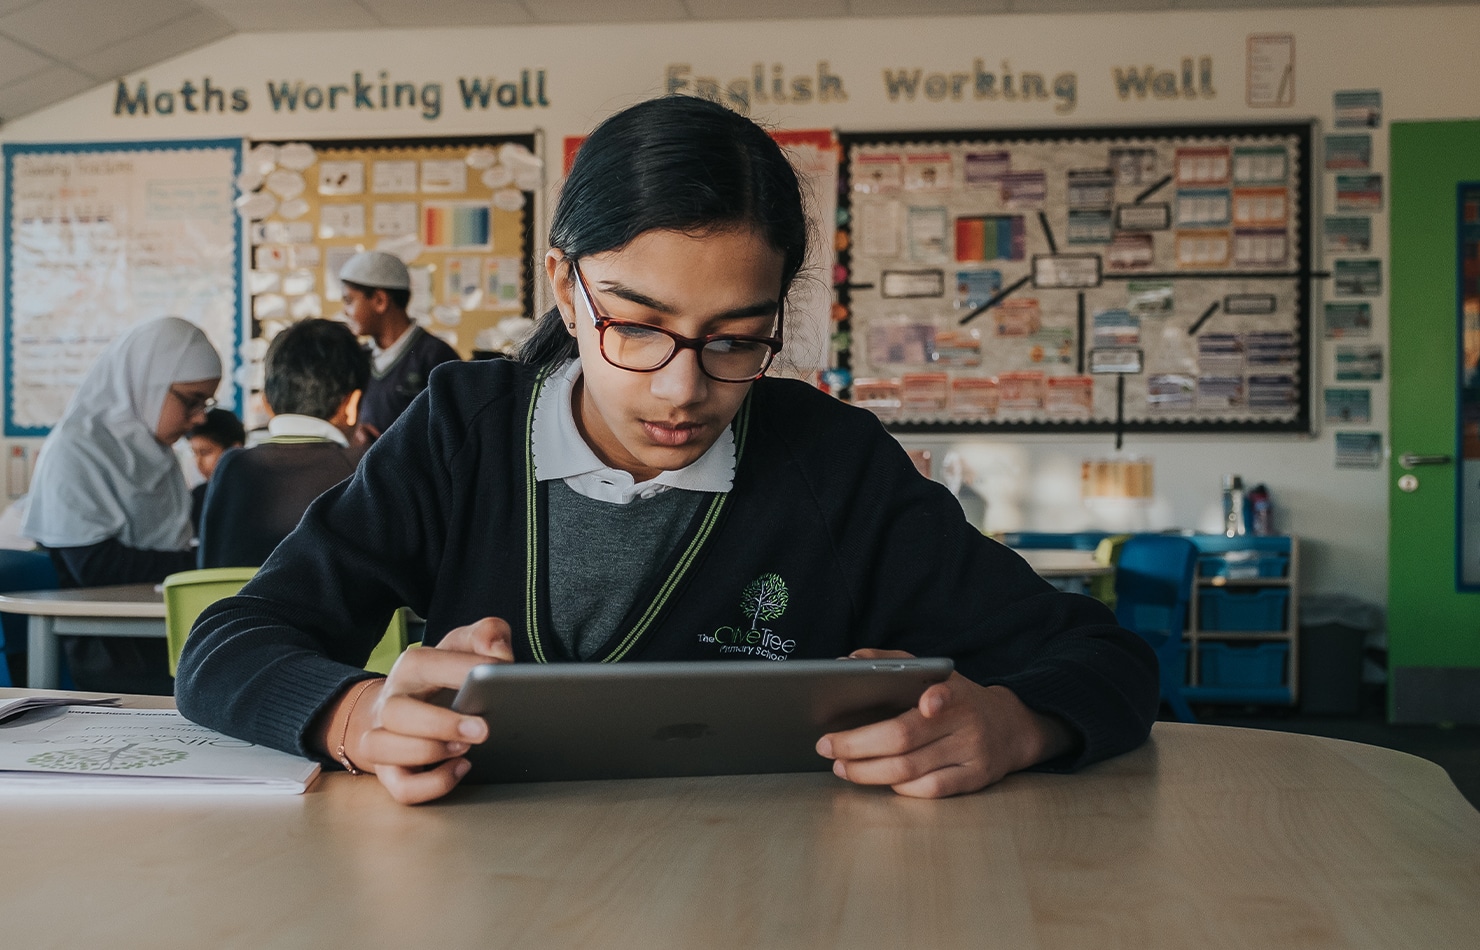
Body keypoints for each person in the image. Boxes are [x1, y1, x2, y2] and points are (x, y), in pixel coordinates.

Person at [177, 96, 1156, 805]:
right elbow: (228, 644)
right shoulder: (460, 431)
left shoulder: (831, 462)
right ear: (566, 288)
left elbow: (1103, 657)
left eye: (736, 337)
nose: (684, 388)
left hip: (772, 899)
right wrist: (354, 716)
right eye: (636, 327)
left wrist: (1017, 725)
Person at [25, 316, 221, 694]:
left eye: (205, 402)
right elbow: (96, 568)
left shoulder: (156, 454)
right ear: (147, 383)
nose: (199, 419)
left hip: (159, 625)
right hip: (100, 639)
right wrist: (205, 565)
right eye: (192, 401)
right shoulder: (76, 449)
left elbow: (173, 545)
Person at [197, 319, 369, 568]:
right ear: (352, 405)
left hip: (240, 608)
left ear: (267, 404)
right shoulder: (362, 470)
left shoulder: (231, 466)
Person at [337, 250, 460, 441]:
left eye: (349, 300)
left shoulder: (436, 356)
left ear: (379, 301)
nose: (345, 312)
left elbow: (452, 430)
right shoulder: (361, 356)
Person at [187, 407, 245, 535]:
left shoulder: (255, 494)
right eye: (194, 453)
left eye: (205, 452)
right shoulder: (197, 497)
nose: (198, 462)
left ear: (235, 450)